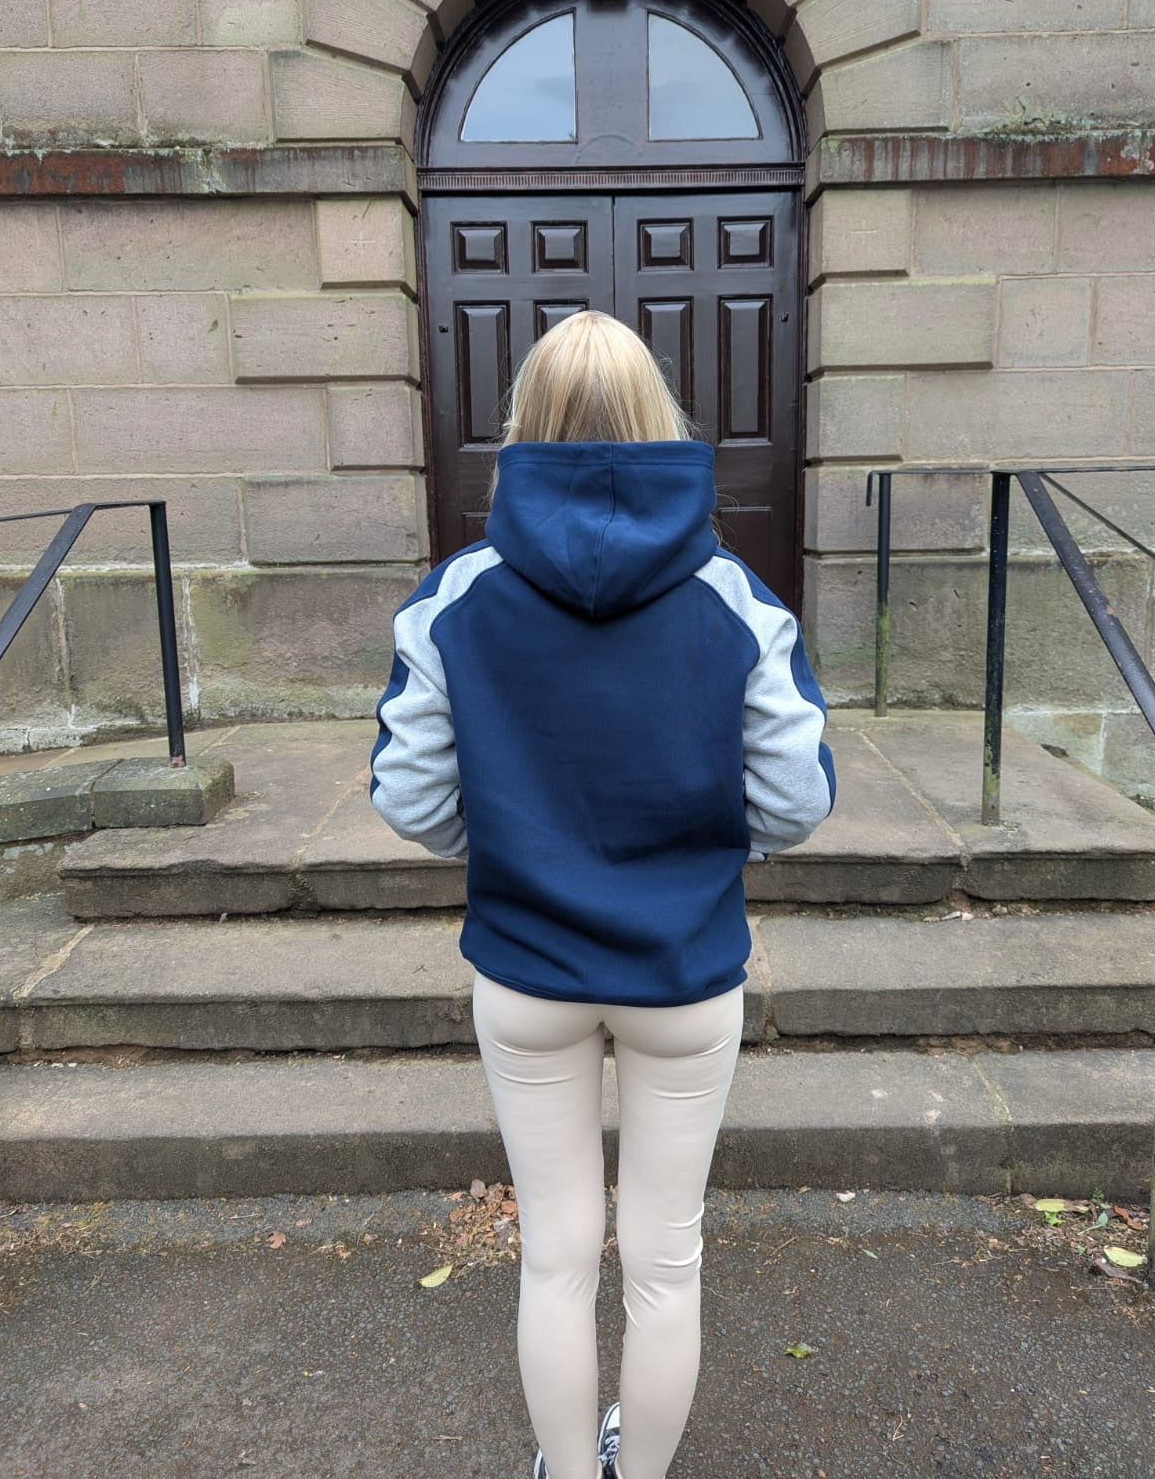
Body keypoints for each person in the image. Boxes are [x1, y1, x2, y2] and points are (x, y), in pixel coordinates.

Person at [369, 310, 836, 1479]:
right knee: (665, 1260)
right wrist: (693, 852)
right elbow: (792, 799)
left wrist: (519, 841)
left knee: (558, 1256)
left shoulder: (455, 595)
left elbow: (412, 800)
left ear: (521, 426)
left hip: (526, 970)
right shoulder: (735, 596)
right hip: (683, 970)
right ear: (659, 421)